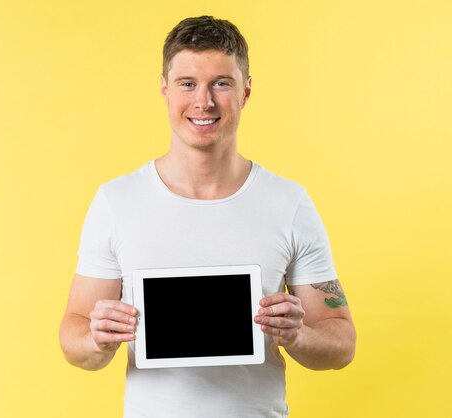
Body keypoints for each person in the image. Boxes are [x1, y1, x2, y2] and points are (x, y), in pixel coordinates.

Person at [59, 15, 356, 418]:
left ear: (246, 90)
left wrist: (297, 335)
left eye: (221, 83)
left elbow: (341, 344)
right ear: (164, 90)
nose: (204, 102)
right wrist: (98, 339)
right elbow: (74, 339)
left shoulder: (289, 204)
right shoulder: (117, 202)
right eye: (187, 84)